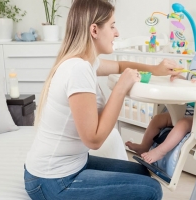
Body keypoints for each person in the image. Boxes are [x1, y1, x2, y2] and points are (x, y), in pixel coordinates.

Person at [23, 0, 180, 199]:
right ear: (94, 30)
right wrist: (121, 88)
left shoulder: (87, 62)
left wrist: (155, 69)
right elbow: (94, 140)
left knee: (140, 172)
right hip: (52, 181)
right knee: (151, 190)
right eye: (112, 26)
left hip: (73, 164)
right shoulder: (77, 69)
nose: (117, 33)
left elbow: (121, 65)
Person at [126, 43, 196, 164]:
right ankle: (144, 146)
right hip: (189, 112)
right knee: (158, 119)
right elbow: (188, 89)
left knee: (183, 123)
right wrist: (180, 78)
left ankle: (160, 151)